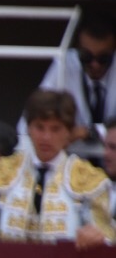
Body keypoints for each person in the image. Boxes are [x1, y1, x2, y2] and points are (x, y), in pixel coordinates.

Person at [0, 89, 114, 252]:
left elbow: (108, 237)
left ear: (68, 132)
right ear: (29, 128)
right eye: (40, 127)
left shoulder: (88, 179)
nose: (46, 137)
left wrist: (98, 237)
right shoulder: (6, 171)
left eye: (55, 129)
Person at [24, 10, 115, 162]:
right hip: (73, 167)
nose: (95, 64)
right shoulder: (65, 64)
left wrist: (90, 132)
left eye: (103, 58)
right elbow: (35, 112)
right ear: (77, 50)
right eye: (86, 57)